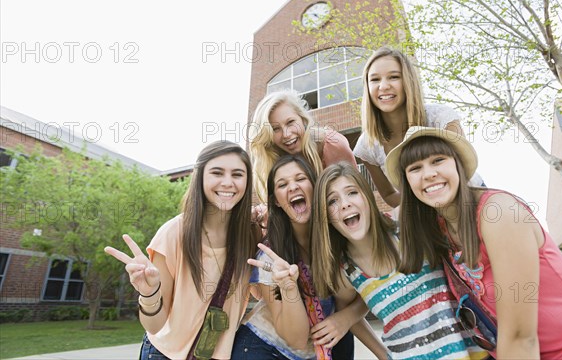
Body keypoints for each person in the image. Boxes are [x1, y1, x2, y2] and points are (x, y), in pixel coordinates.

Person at [385, 126, 562, 359]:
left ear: (458, 165)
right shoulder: (439, 231)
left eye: (438, 160)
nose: (428, 174)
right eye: (415, 168)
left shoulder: (498, 212)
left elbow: (521, 337)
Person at [311, 162, 488, 359]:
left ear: (367, 197)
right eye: (332, 201)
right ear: (325, 216)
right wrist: (383, 355)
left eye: (352, 192)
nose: (344, 204)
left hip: (473, 352)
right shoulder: (346, 272)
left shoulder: (404, 222)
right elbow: (346, 309)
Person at [104, 141, 261, 360]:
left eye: (237, 174)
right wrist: (149, 293)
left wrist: (275, 230)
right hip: (163, 353)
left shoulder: (252, 236)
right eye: (217, 172)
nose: (228, 183)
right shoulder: (173, 233)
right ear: (201, 178)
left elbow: (262, 295)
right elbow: (155, 325)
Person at [232, 155, 387, 360]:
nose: (293, 187)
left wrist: (346, 319)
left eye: (300, 178)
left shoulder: (341, 238)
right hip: (264, 348)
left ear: (316, 188)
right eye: (282, 184)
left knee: (343, 336)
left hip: (322, 344)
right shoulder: (270, 258)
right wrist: (288, 287)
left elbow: (366, 292)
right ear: (276, 201)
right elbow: (295, 338)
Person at [353, 46, 483, 209]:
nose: (384, 86)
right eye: (375, 79)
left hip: (468, 201)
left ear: (408, 81)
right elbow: (389, 195)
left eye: (393, 77)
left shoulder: (442, 119)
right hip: (422, 214)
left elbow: (464, 171)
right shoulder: (367, 145)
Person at [249, 90, 357, 204]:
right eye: (275, 129)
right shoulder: (274, 158)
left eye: (290, 122)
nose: (286, 134)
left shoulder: (333, 145)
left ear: (303, 119)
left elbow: (355, 193)